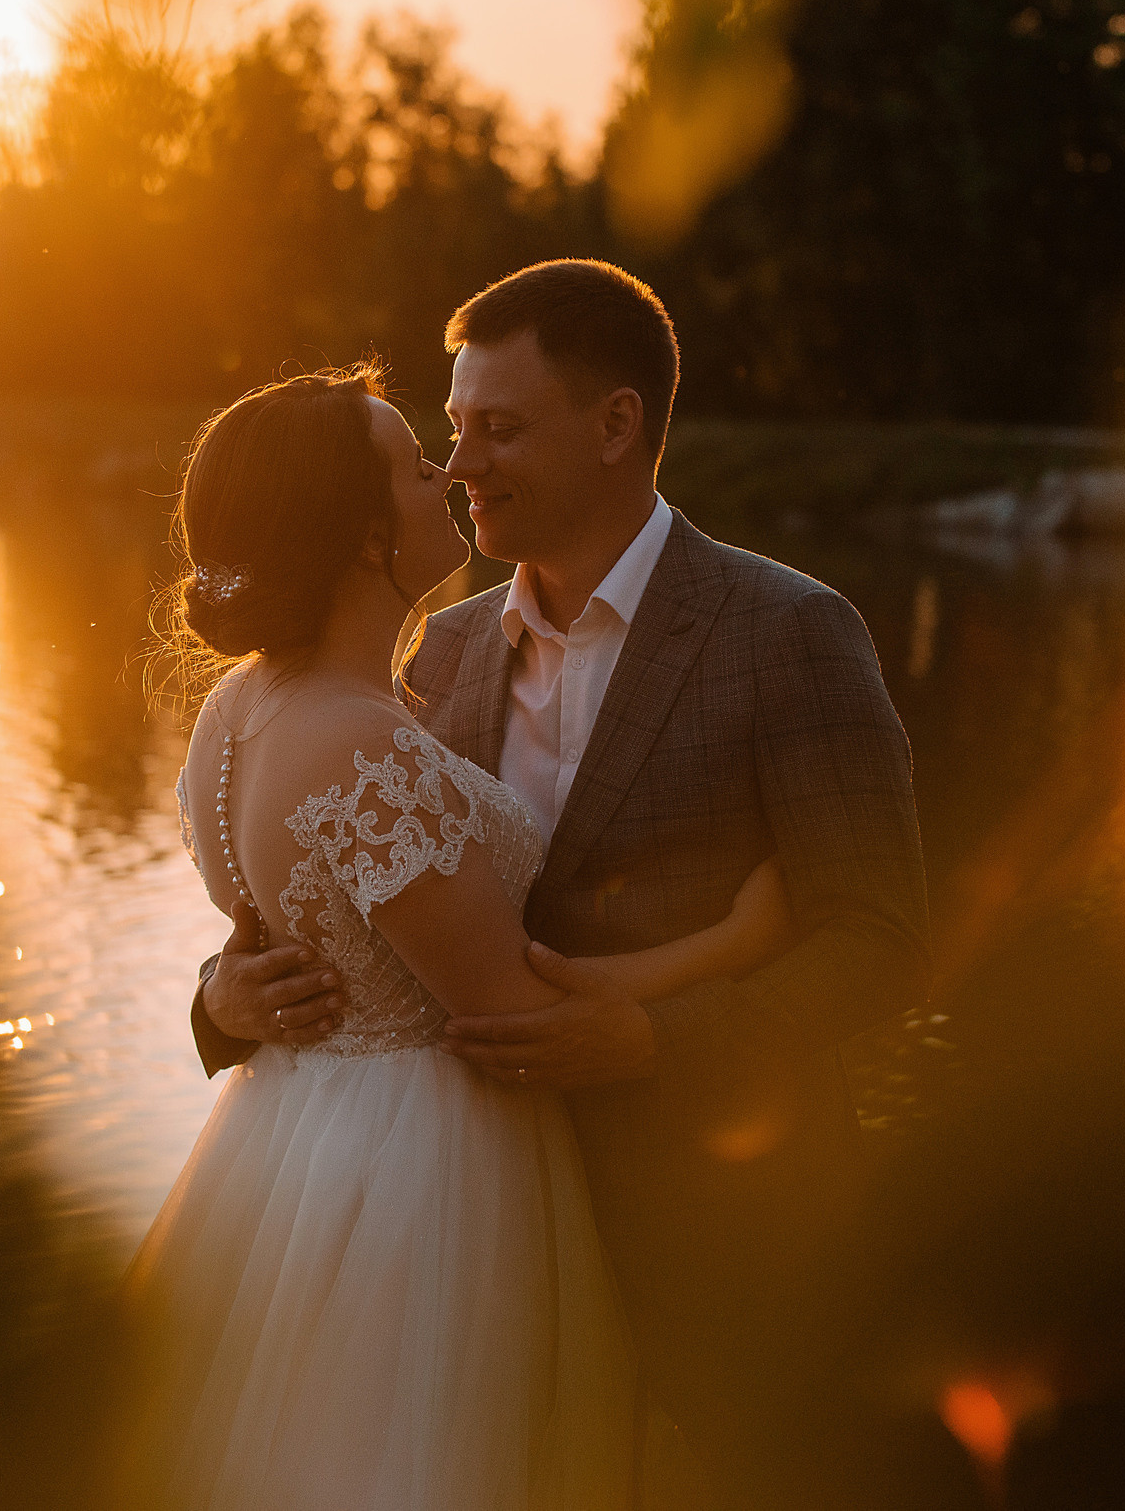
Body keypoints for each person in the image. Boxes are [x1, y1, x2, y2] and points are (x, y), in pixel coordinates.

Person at [192, 260, 935, 1506]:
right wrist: (226, 995)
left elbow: (880, 939)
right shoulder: (437, 647)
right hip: (456, 1259)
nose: (463, 460)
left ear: (616, 424)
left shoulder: (788, 629)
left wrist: (650, 1034)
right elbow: (339, 896)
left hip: (722, 1237)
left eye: (500, 426)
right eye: (451, 430)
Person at [130, 363, 798, 1510]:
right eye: (411, 461)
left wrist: (224, 994)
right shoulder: (358, 746)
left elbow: (283, 923)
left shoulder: (239, 709)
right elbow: (511, 1007)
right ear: (354, 533)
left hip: (296, 1142)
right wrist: (732, 941)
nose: (444, 470)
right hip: (423, 1167)